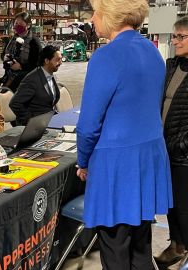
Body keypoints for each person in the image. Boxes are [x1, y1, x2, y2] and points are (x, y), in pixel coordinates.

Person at [76, 0, 173, 269]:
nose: (92, 19)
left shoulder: (107, 57)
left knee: (115, 245)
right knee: (140, 243)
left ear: (110, 15)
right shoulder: (152, 52)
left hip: (116, 164)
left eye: (95, 13)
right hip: (148, 157)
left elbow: (88, 125)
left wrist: (83, 162)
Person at [155, 16, 188, 268]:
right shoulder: (172, 65)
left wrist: (181, 145)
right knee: (171, 205)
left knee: (185, 208)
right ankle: (176, 246)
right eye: (175, 36)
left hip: (183, 154)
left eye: (181, 37)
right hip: (165, 149)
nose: (175, 41)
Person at [9, 45, 62, 126]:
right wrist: (31, 121)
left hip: (49, 120)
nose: (60, 63)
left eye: (61, 59)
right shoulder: (32, 79)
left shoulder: (49, 76)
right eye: (57, 60)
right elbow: (15, 103)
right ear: (47, 61)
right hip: (36, 126)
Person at [0, 12, 42, 92]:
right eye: (16, 23)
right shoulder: (12, 39)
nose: (17, 25)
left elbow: (38, 64)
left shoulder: (34, 42)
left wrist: (21, 66)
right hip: (10, 77)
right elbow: (3, 54)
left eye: (20, 23)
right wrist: (4, 57)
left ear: (28, 25)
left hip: (27, 80)